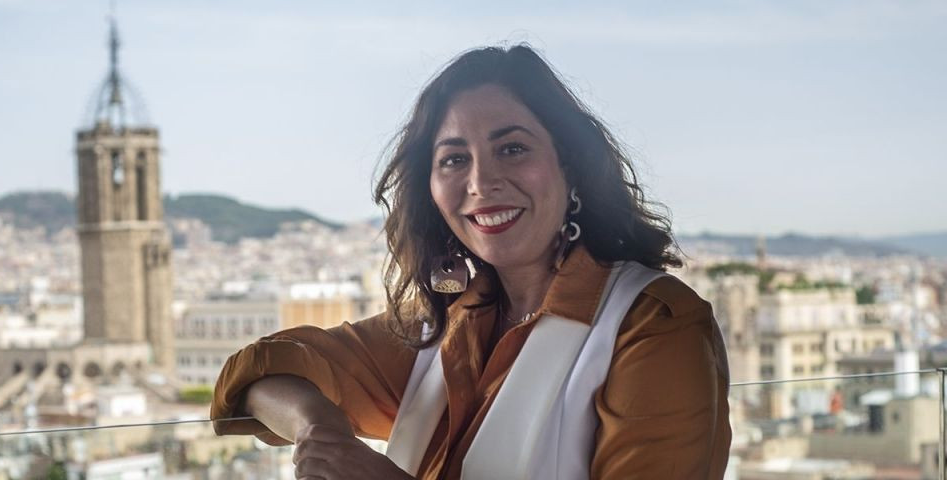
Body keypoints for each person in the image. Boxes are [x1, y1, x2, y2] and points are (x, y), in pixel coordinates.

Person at [210, 44, 730, 479]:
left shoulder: (655, 326)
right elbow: (259, 369)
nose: (482, 183)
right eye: (455, 159)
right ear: (431, 190)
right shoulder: (445, 326)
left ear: (569, 165)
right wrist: (317, 425)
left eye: (513, 150)